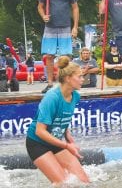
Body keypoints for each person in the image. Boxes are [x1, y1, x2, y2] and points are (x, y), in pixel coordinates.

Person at [26, 56, 89, 184]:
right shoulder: (52, 97)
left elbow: (62, 117)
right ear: (67, 78)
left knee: (84, 182)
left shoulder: (75, 96)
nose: (83, 79)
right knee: (63, 183)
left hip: (55, 141)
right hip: (37, 143)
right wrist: (66, 145)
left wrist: (67, 135)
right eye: (80, 76)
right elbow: (40, 131)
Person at [38, 0, 79, 93]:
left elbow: (75, 8)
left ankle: (66, 83)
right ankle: (50, 83)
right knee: (49, 56)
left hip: (65, 25)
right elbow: (40, 6)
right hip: (50, 26)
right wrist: (43, 16)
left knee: (65, 57)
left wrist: (75, 27)